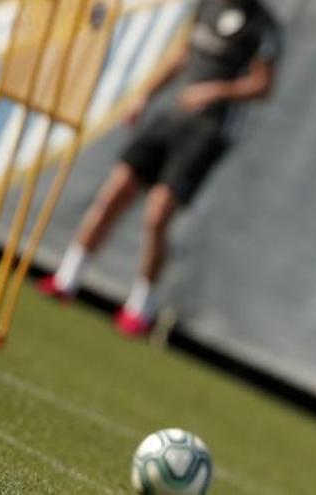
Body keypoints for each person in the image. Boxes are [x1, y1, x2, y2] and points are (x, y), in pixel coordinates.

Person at [38, 0, 283, 336]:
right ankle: (68, 277)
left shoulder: (264, 26)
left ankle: (141, 305)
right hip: (172, 116)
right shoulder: (208, 7)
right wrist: (145, 95)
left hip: (209, 130)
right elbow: (181, 53)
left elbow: (263, 85)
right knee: (115, 191)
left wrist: (214, 91)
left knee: (157, 215)